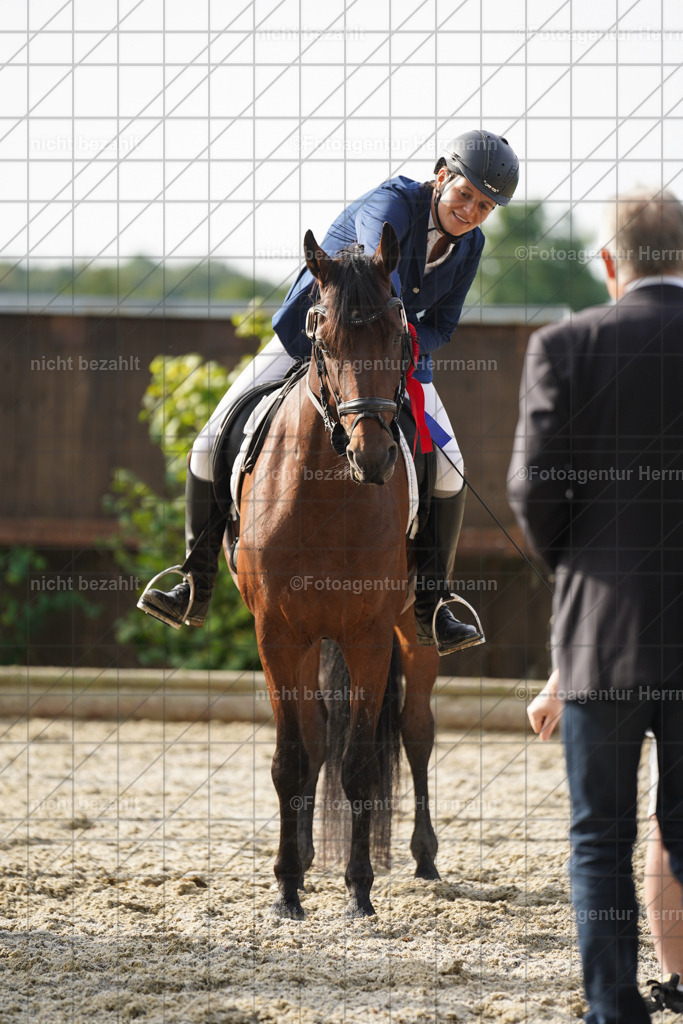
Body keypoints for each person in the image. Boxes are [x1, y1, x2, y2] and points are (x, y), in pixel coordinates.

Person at [138, 130, 520, 654]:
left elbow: (445, 324)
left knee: (451, 468)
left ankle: (434, 602)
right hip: (315, 338)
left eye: (485, 205)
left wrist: (406, 337)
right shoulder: (392, 204)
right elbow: (366, 259)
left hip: (391, 356)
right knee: (209, 442)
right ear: (440, 178)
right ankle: (194, 580)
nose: (472, 210)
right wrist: (391, 326)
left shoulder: (470, 245)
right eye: (465, 195)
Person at [508, 188, 683, 1023]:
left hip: (599, 636)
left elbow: (531, 492)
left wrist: (578, 571)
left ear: (609, 263)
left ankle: (614, 1007)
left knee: (598, 837)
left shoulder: (564, 345)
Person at [528, 673, 683, 1015]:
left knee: (601, 843)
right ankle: (677, 983)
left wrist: (555, 686)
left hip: (605, 661)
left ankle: (673, 986)